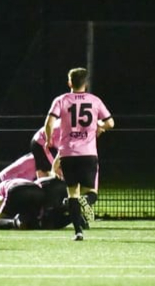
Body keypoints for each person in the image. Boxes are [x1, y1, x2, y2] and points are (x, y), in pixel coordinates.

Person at [44, 67, 114, 241]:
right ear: (86, 83)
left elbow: (49, 122)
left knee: (72, 193)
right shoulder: (95, 100)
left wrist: (48, 140)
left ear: (69, 82)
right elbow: (111, 123)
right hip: (88, 153)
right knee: (91, 191)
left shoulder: (61, 100)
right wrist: (100, 126)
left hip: (68, 154)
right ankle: (86, 202)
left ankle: (78, 232)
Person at [0, 176, 73, 230]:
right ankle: (70, 213)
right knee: (41, 224)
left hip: (18, 191)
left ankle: (16, 223)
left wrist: (12, 220)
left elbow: (2, 202)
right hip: (36, 190)